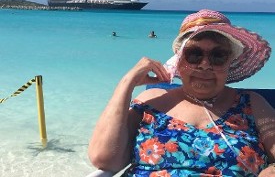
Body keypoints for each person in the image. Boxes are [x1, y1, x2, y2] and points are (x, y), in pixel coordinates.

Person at [88, 9, 275, 176]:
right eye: (194, 54)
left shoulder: (251, 104)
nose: (205, 64)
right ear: (179, 59)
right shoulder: (152, 101)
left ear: (230, 61)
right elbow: (104, 159)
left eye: (218, 56)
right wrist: (126, 83)